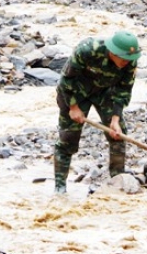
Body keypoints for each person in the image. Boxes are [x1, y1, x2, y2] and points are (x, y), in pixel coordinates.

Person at [54, 31, 141, 194]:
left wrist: (115, 118)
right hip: (75, 92)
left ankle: (118, 179)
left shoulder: (130, 59)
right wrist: (73, 107)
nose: (125, 63)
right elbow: (66, 80)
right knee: (68, 138)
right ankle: (60, 186)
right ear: (112, 52)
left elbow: (124, 89)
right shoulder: (87, 50)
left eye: (128, 59)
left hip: (105, 92)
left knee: (118, 135)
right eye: (122, 58)